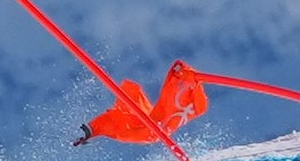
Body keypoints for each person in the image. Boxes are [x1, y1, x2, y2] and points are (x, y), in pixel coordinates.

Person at [72, 60, 208, 146]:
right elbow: (115, 121)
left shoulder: (195, 103)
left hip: (155, 126)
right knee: (132, 104)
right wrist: (91, 130)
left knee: (136, 111)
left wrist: (193, 80)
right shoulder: (186, 90)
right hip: (151, 126)